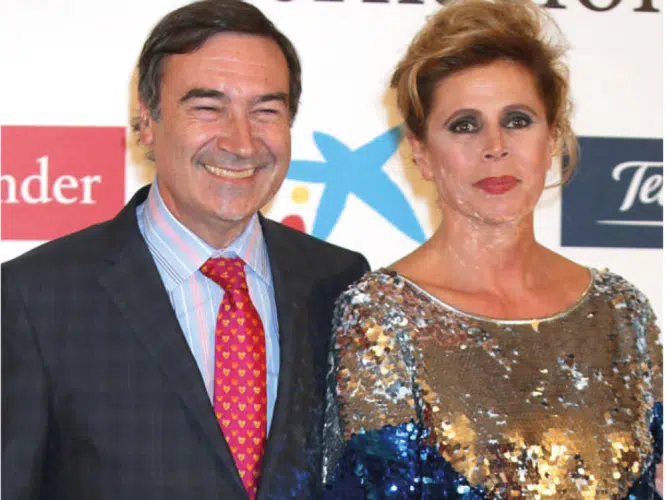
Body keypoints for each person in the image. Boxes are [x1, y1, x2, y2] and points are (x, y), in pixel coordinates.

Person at [2, 1, 369, 499]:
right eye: (207, 108)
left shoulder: (339, 282)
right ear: (147, 121)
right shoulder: (36, 298)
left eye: (266, 111)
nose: (242, 143)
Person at [323, 0, 662, 497]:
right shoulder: (381, 314)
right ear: (422, 152)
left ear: (552, 137)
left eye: (518, 120)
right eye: (464, 124)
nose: (495, 146)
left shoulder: (621, 312)